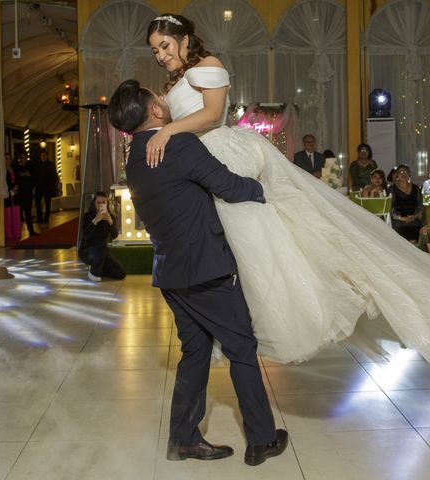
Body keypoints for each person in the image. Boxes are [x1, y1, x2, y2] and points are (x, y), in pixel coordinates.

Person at [143, 13, 430, 364]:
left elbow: (213, 113)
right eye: (155, 50)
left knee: (272, 237)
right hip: (203, 159)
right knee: (261, 242)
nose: (161, 55)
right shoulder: (174, 84)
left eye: (165, 45)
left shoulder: (208, 65)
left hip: (225, 153)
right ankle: (236, 318)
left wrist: (167, 131)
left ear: (185, 39)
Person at [108, 79, 288, 465]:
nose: (164, 98)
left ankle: (183, 438)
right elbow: (228, 186)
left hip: (172, 272)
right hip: (206, 270)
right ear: (155, 110)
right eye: (159, 96)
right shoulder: (178, 144)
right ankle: (261, 439)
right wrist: (267, 190)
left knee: (195, 352)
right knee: (241, 348)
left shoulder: (135, 157)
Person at [78, 191, 126, 282]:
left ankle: (99, 268)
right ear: (94, 203)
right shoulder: (88, 216)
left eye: (103, 202)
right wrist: (95, 221)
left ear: (107, 203)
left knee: (120, 274)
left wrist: (110, 222)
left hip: (102, 252)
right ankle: (94, 273)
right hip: (88, 250)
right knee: (101, 247)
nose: (101, 205)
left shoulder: (109, 216)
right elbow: (86, 236)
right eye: (98, 202)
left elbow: (115, 235)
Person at [390, 164, 423, 243]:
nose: (403, 173)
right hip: (398, 220)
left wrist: (414, 217)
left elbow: (420, 206)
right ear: (397, 175)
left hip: (414, 219)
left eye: (405, 171)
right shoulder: (392, 189)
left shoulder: (416, 188)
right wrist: (401, 218)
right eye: (401, 172)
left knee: (417, 229)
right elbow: (391, 208)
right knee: (401, 230)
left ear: (409, 174)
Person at [33, 151, 59, 224]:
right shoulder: (38, 165)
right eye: (41, 156)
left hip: (47, 188)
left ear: (47, 156)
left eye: (44, 156)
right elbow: (35, 176)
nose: (43, 157)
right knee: (37, 203)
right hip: (39, 188)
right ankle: (39, 218)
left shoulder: (51, 165)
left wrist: (52, 186)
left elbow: (54, 176)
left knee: (47, 204)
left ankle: (46, 219)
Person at [15, 153, 37, 237]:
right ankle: (18, 232)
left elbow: (33, 177)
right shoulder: (17, 167)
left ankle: (31, 230)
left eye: (24, 157)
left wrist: (27, 175)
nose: (23, 159)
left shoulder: (31, 166)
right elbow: (18, 177)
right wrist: (26, 174)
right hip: (20, 194)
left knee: (28, 212)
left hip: (28, 193)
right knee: (19, 213)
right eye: (22, 157)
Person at [4, 154, 21, 240]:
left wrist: (16, 186)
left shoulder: (14, 169)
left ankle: (16, 233)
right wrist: (11, 189)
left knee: (16, 212)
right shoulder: (2, 170)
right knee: (8, 214)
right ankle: (9, 234)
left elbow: (18, 179)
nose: (7, 160)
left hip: (15, 193)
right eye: (6, 159)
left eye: (9, 159)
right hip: (7, 194)